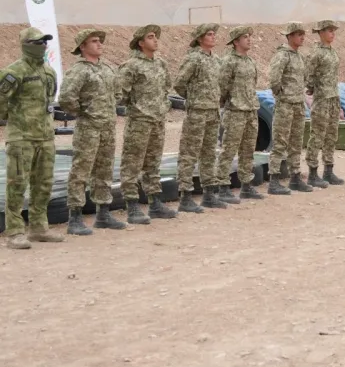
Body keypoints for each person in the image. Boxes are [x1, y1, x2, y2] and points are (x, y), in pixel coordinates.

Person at [58, 29, 127, 235]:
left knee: (104, 170)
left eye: (100, 41)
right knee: (81, 172)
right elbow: (66, 98)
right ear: (83, 46)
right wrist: (85, 112)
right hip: (88, 128)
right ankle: (75, 218)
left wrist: (106, 110)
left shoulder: (107, 69)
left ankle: (103, 214)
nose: (99, 44)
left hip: (107, 127)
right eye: (94, 41)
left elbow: (117, 93)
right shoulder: (78, 71)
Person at [1, 27, 65, 249]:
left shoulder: (49, 72)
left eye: (44, 42)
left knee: (44, 184)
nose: (42, 46)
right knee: (17, 184)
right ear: (26, 44)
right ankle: (15, 231)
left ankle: (39, 227)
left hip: (45, 137)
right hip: (22, 139)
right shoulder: (13, 72)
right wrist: (15, 120)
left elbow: (50, 101)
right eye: (37, 43)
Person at [117, 24, 178, 224]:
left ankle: (155, 203)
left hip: (157, 121)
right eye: (151, 37)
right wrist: (138, 108)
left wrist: (163, 106)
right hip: (139, 122)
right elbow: (120, 94)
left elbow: (165, 88)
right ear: (141, 43)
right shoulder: (131, 66)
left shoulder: (160, 64)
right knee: (132, 164)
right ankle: (132, 206)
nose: (155, 40)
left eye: (156, 37)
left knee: (153, 164)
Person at [174, 23, 228, 212]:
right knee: (189, 153)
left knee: (208, 153)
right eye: (209, 34)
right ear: (200, 38)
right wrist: (194, 98)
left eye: (214, 34)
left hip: (213, 112)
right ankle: (185, 195)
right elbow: (179, 84)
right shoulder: (194, 59)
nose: (213, 37)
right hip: (197, 111)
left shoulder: (217, 60)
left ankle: (209, 194)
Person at [215, 25, 265, 200]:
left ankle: (246, 185)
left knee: (248, 150)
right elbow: (222, 86)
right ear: (236, 42)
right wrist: (228, 103)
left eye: (249, 36)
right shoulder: (229, 61)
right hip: (235, 110)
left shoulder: (250, 61)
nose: (249, 39)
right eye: (245, 37)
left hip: (251, 110)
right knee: (229, 149)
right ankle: (222, 186)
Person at [267, 21, 311, 194]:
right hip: (285, 105)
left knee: (296, 142)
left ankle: (295, 177)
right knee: (280, 142)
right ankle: (274, 180)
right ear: (290, 36)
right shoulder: (282, 55)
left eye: (303, 34)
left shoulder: (299, 56)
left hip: (298, 105)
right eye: (298, 34)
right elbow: (274, 79)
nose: (302, 37)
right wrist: (282, 95)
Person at [304, 20, 345, 188]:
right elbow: (309, 74)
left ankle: (328, 170)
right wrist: (312, 89)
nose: (332, 33)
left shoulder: (332, 52)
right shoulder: (316, 53)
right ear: (320, 33)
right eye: (329, 31)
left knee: (331, 135)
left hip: (333, 97)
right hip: (321, 98)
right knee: (317, 135)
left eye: (333, 30)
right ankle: (313, 173)